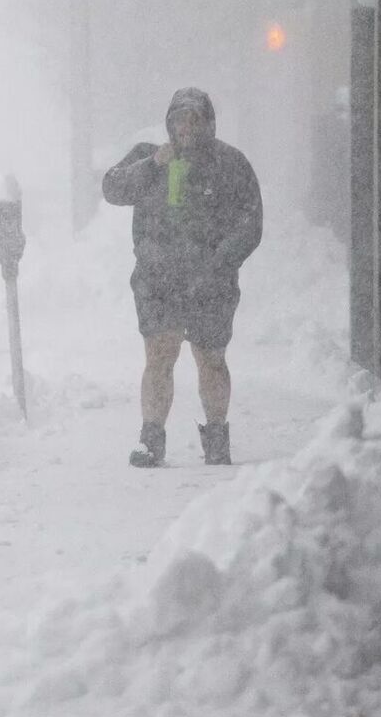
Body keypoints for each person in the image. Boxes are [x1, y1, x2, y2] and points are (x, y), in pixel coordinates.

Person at [102, 87, 262, 467]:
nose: (186, 127)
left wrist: (220, 261)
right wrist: (154, 164)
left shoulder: (230, 163)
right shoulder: (150, 157)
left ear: (208, 123)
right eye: (178, 119)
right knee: (159, 357)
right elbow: (112, 187)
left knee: (211, 360)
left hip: (211, 283)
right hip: (158, 280)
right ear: (169, 122)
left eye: (195, 119)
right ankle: (151, 439)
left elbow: (251, 222)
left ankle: (217, 437)